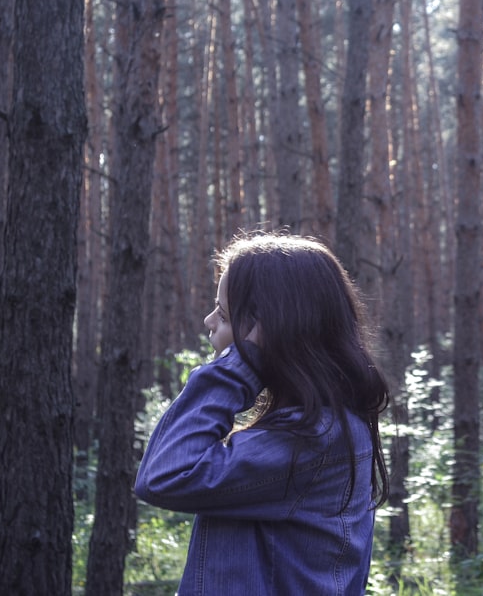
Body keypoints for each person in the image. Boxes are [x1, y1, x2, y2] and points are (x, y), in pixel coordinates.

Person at [135, 232, 390, 595]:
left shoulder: (315, 438)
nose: (209, 321)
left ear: (271, 330)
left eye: (224, 314)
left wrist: (237, 365)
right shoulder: (329, 426)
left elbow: (166, 474)